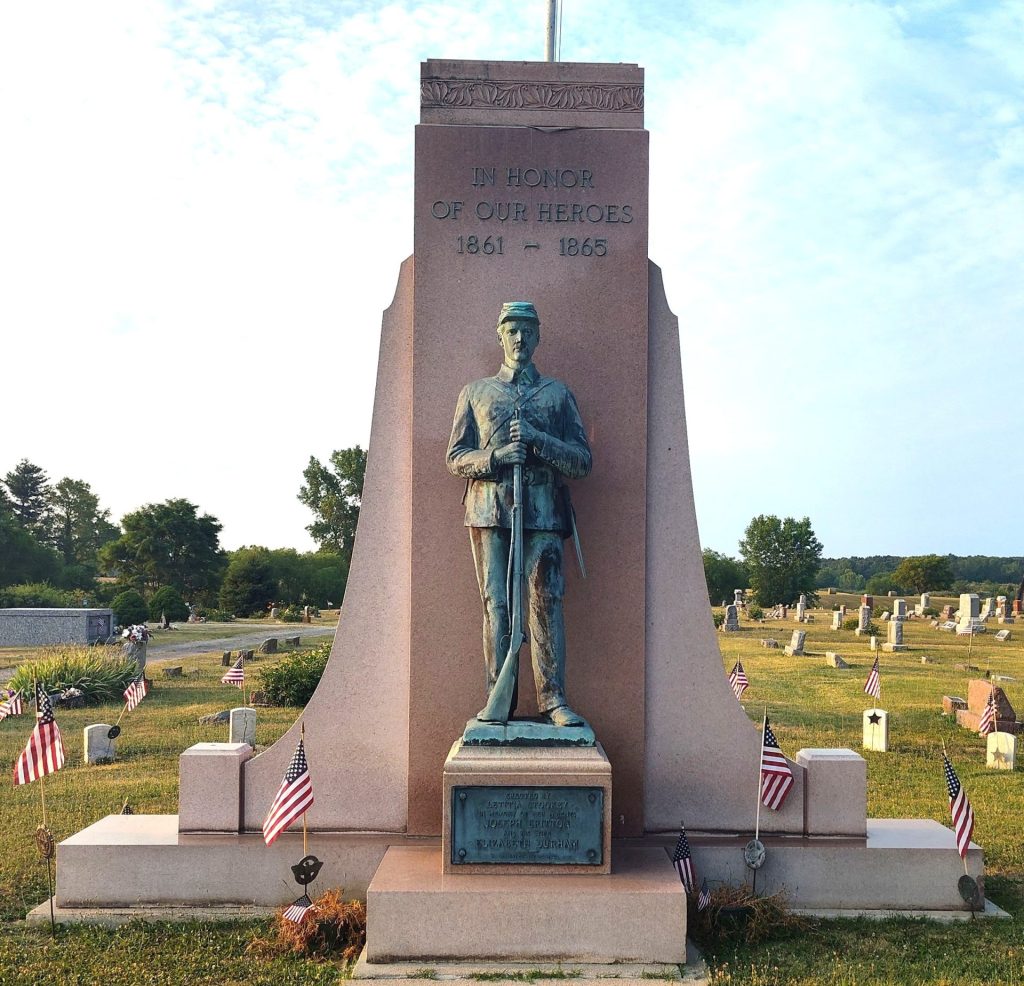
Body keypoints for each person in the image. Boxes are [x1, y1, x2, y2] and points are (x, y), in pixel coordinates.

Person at [446, 301, 592, 727]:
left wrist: (538, 440)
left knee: (546, 603)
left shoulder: (558, 394)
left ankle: (553, 699)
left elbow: (582, 461)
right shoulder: (475, 393)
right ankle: (499, 698)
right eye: (512, 330)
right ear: (500, 336)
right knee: (497, 605)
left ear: (538, 336)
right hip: (489, 511)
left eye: (527, 330)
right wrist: (494, 457)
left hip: (544, 512)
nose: (520, 339)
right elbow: (455, 457)